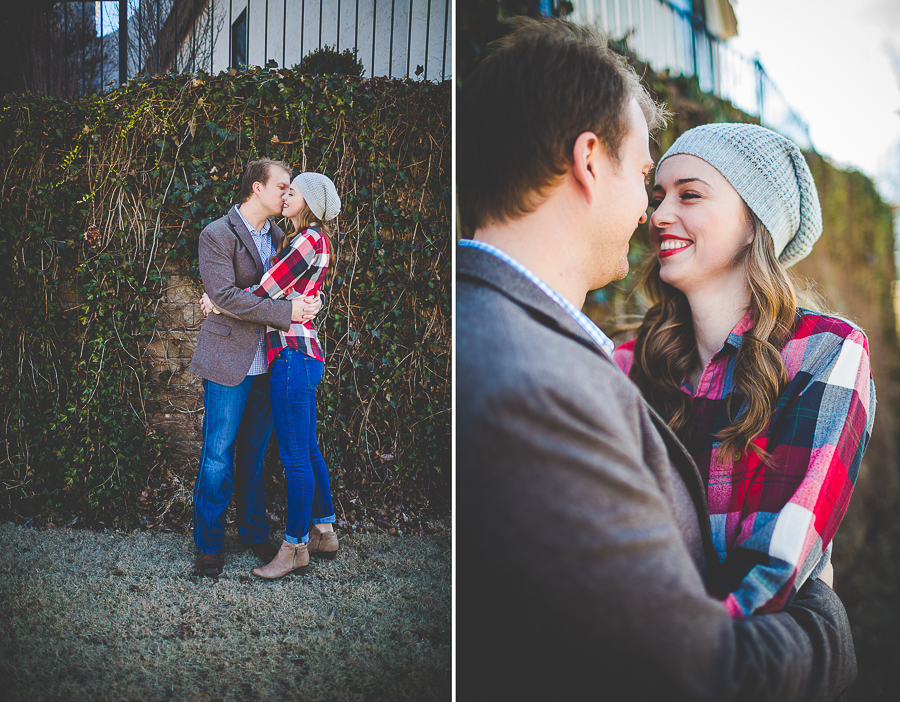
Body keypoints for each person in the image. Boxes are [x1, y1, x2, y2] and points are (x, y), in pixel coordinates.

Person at [456, 17, 856, 702]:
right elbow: (692, 670)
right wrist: (827, 622)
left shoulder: (518, 336)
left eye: (685, 194)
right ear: (589, 161)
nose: (652, 212)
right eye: (647, 177)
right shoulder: (548, 376)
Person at [613, 122, 875, 618]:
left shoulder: (826, 353)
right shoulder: (625, 367)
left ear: (755, 223)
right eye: (659, 194)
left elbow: (774, 568)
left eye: (689, 195)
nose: (659, 214)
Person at [204, 172, 341, 579]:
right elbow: (282, 293)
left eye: (292, 191)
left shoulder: (303, 240)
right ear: (256, 187)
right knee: (305, 450)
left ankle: (294, 546)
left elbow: (263, 292)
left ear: (310, 203)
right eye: (283, 186)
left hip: (290, 355)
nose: (286, 194)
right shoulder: (294, 237)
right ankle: (323, 529)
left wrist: (217, 303)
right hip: (295, 353)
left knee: (293, 456)